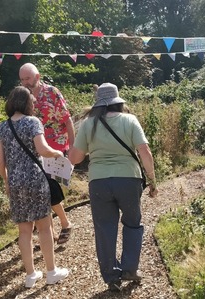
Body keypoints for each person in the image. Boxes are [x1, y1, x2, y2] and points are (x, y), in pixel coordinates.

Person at [68, 82, 158, 292]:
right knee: (133, 224)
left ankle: (111, 277)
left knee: (105, 228)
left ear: (98, 103)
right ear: (118, 101)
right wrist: (153, 180)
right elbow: (145, 151)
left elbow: (75, 157)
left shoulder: (89, 124)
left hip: (99, 182)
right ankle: (129, 269)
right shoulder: (130, 120)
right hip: (129, 180)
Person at [0, 86, 70, 288]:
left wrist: (6, 181)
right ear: (26, 103)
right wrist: (58, 154)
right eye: (32, 101)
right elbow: (42, 150)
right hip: (35, 180)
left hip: (15, 183)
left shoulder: (2, 128)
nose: (34, 103)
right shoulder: (33, 122)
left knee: (24, 231)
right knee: (44, 228)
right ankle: (52, 272)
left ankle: (30, 276)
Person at [19, 63, 74, 244]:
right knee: (43, 191)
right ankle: (51, 232)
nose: (25, 82)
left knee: (48, 187)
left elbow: (67, 120)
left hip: (54, 148)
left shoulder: (52, 92)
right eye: (22, 79)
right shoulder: (22, 97)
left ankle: (64, 224)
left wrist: (72, 147)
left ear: (37, 76)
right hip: (33, 150)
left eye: (27, 78)